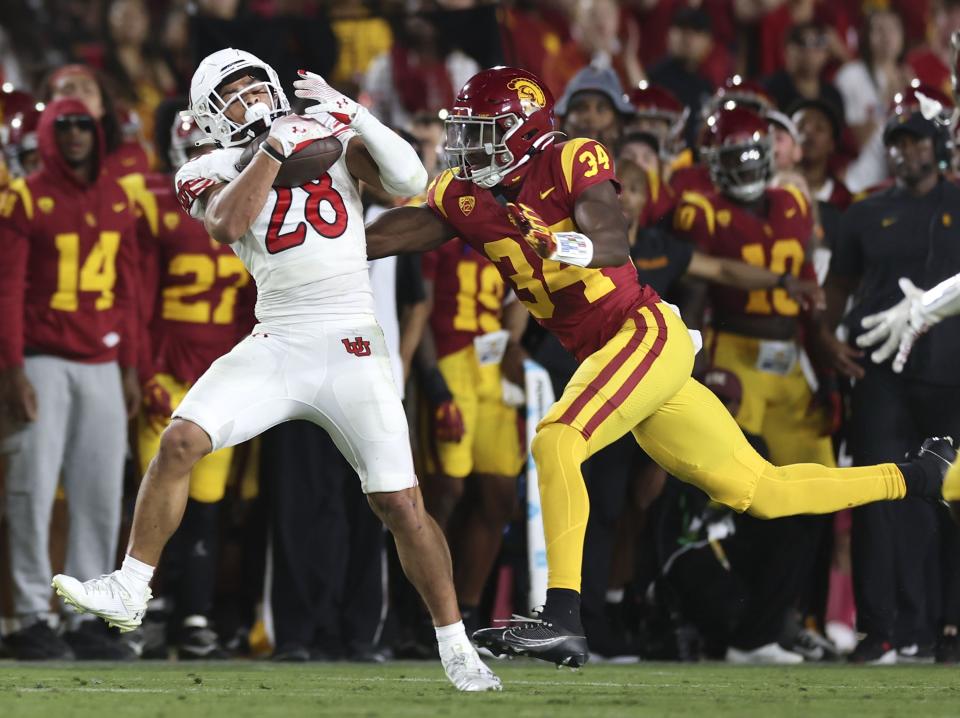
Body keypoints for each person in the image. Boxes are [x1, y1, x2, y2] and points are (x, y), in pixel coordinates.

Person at [363, 65, 955, 669]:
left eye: (484, 131)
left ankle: (563, 617)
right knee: (762, 491)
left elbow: (613, 239)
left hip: (640, 333)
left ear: (524, 131)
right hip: (614, 356)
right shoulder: (466, 193)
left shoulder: (571, 157)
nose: (470, 146)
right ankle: (924, 476)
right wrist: (334, 241)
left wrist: (560, 243)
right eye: (467, 131)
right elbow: (403, 230)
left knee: (557, 440)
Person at [50, 48, 499, 691]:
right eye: (233, 95)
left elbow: (404, 183)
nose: (252, 100)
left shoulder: (326, 136)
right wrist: (273, 151)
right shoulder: (206, 166)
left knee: (401, 504)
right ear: (210, 116)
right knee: (179, 441)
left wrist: (354, 117)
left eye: (254, 87)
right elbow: (228, 221)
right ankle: (130, 586)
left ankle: (456, 647)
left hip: (351, 340)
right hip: (279, 339)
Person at [818, 86, 960, 663]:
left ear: (938, 145)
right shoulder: (864, 211)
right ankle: (875, 628)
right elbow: (836, 290)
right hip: (879, 375)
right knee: (875, 493)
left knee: (951, 498)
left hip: (950, 376)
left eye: (915, 142)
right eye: (896, 143)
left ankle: (949, 626)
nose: (904, 154)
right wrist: (826, 340)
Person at [0, 98, 141, 660]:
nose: (77, 135)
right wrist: (13, 370)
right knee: (31, 489)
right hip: (41, 359)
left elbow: (129, 293)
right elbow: (7, 291)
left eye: (85, 124)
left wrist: (131, 367)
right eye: (65, 126)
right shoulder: (25, 196)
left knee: (102, 494)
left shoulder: (118, 198)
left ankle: (86, 614)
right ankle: (33, 612)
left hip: (102, 364)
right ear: (45, 133)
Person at [121, 111, 253, 659]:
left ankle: (192, 612)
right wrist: (147, 370)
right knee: (156, 489)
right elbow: (138, 299)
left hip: (219, 370)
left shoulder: (250, 212)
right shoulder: (157, 210)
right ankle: (152, 607)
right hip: (169, 366)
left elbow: (256, 306)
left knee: (206, 501)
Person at [417, 238, 527, 634]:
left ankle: (469, 609)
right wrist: (434, 385)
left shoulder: (508, 226)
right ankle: (427, 614)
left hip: (492, 364)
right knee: (444, 492)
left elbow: (521, 298)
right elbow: (422, 307)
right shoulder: (438, 229)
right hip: (452, 362)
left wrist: (513, 343)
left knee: (500, 496)